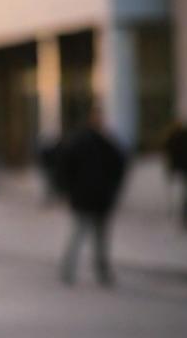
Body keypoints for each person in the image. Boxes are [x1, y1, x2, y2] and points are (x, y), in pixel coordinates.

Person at [52, 104, 129, 287]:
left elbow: (119, 165)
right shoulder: (82, 142)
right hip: (87, 198)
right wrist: (68, 189)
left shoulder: (104, 142)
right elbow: (64, 167)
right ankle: (71, 269)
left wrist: (112, 188)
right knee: (82, 234)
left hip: (98, 198)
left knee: (98, 237)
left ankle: (98, 270)